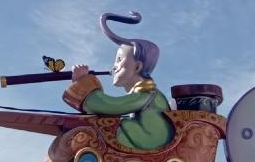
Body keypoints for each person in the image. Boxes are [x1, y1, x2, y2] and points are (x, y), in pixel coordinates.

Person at [62, 12, 173, 150]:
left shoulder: (147, 94)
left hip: (148, 141)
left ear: (137, 67)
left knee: (103, 130)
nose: (114, 66)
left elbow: (110, 106)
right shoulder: (145, 93)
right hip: (140, 136)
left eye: (119, 60)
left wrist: (83, 81)